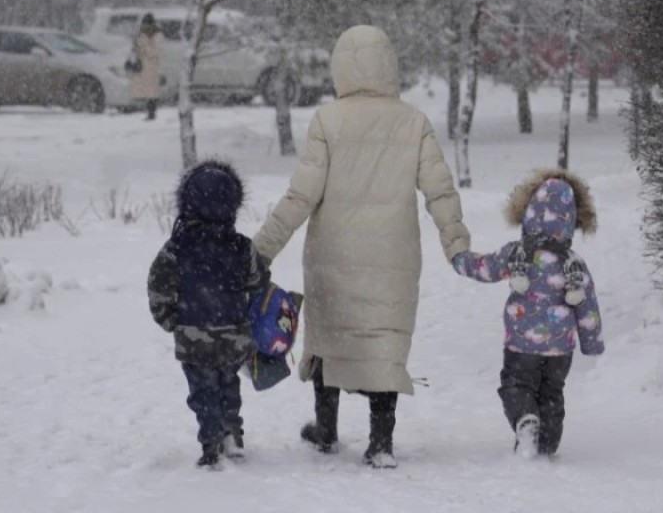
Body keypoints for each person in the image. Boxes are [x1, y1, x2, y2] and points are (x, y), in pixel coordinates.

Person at [252, 24, 470, 469]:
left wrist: (259, 250)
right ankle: (381, 442)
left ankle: (326, 430)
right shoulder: (412, 121)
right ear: (389, 64)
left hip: (336, 255)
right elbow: (440, 191)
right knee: (383, 343)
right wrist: (456, 244)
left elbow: (301, 195)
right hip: (394, 255)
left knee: (330, 336)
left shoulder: (328, 120)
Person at [450, 168, 604, 459]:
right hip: (560, 349)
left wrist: (460, 260)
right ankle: (547, 444)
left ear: (528, 211)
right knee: (552, 393)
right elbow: (588, 306)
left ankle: (524, 419)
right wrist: (591, 341)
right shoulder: (574, 263)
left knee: (516, 385)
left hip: (522, 344)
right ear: (572, 219)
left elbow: (485, 267)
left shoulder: (516, 253)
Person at [147, 160, 270, 470]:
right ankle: (233, 433)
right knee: (229, 385)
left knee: (203, 391)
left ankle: (211, 443)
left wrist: (170, 319)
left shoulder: (177, 248)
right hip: (233, 335)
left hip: (193, 337)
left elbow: (158, 286)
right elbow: (257, 282)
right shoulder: (241, 247)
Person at [129, 13, 162, 120]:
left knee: (151, 92)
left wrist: (144, 44)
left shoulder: (157, 36)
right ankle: (149, 112)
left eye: (147, 25)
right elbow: (139, 51)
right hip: (144, 67)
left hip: (152, 67)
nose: (145, 27)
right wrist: (137, 47)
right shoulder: (142, 35)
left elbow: (154, 52)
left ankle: (151, 113)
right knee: (147, 91)